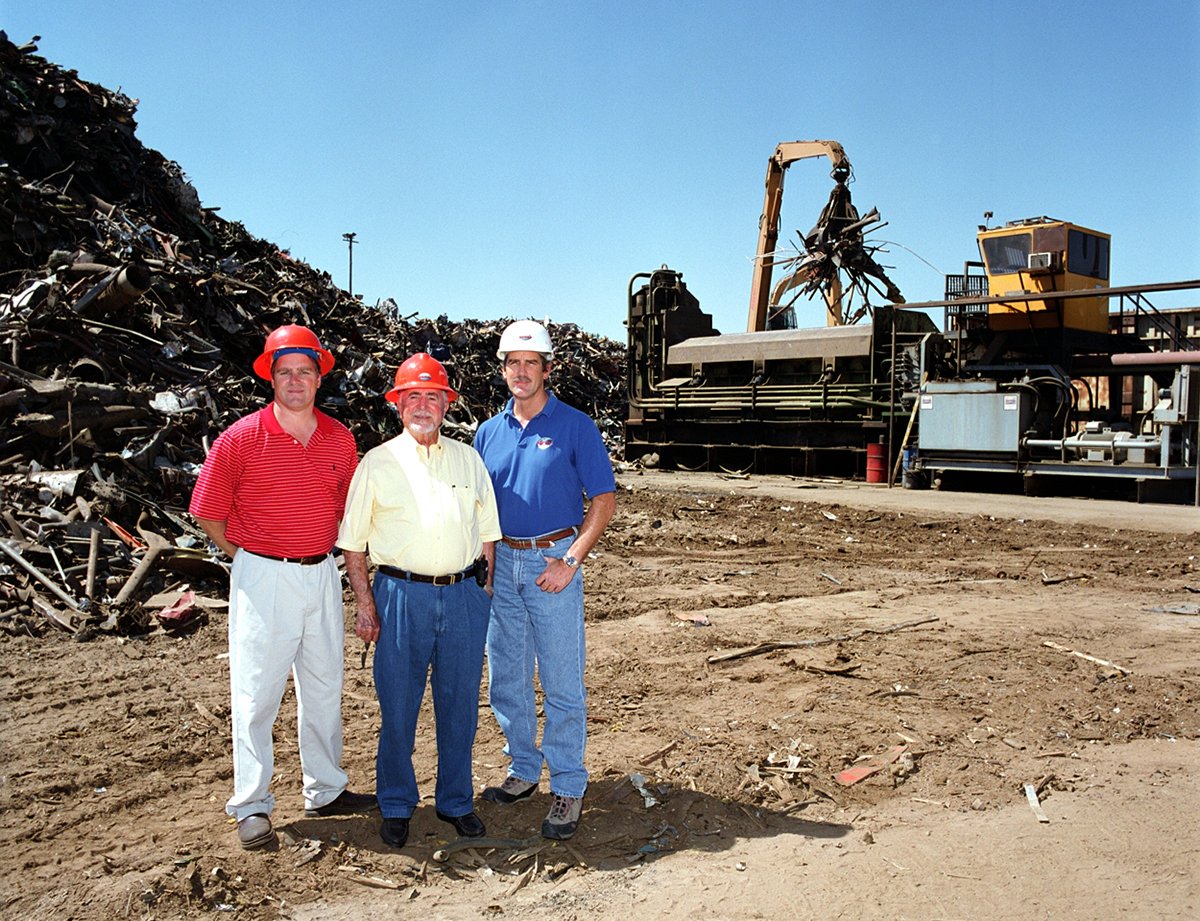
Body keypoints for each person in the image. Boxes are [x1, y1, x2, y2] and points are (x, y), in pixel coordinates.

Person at [189, 324, 377, 851]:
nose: (296, 381)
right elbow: (208, 513)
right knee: (256, 695)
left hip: (321, 573)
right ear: (271, 377)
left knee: (323, 687)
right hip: (263, 575)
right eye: (286, 372)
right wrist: (250, 559)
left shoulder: (340, 439)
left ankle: (326, 788)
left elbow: (349, 514)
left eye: (306, 372)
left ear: (320, 379)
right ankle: (251, 804)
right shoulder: (241, 438)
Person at [337, 353, 501, 849]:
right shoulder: (378, 462)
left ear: (446, 404)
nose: (424, 405)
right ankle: (395, 803)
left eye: (433, 396)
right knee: (399, 706)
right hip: (400, 598)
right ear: (399, 405)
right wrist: (366, 605)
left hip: (462, 597)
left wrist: (483, 593)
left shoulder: (467, 458)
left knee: (459, 708)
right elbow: (353, 543)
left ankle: (455, 802)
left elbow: (488, 531)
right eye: (414, 397)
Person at [473, 320, 616, 840]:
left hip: (553, 560)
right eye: (513, 362)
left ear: (547, 369)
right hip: (502, 564)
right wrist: (485, 563)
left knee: (560, 681)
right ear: (503, 368)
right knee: (506, 678)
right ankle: (524, 770)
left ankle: (569, 785)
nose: (521, 371)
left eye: (531, 363)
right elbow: (481, 507)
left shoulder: (575, 425)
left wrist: (571, 558)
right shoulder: (487, 432)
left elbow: (603, 500)